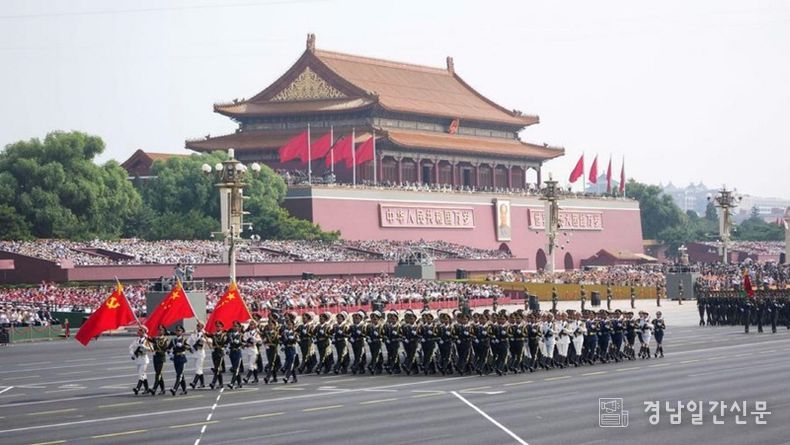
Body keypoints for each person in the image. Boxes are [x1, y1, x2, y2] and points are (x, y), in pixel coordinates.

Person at [129, 325, 153, 396]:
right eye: (138, 330)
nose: (138, 332)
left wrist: (144, 347)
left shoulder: (147, 340)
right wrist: (132, 354)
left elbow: (151, 349)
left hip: (144, 359)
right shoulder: (137, 339)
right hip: (138, 359)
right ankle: (147, 389)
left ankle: (137, 388)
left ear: (144, 332)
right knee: (144, 375)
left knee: (141, 374)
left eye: (140, 330)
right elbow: (130, 347)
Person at [169, 325, 189, 396]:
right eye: (177, 331)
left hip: (182, 358)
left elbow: (188, 347)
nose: (177, 332)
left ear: (182, 332)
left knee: (179, 375)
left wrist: (182, 346)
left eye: (179, 330)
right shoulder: (173, 340)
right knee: (180, 375)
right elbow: (168, 348)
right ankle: (184, 390)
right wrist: (170, 354)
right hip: (176, 358)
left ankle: (175, 389)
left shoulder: (184, 339)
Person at [149, 325, 169, 396]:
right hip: (155, 358)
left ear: (164, 331)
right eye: (159, 330)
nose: (159, 331)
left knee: (158, 374)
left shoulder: (165, 339)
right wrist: (145, 334)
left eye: (161, 330)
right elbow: (150, 339)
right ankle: (163, 389)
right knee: (158, 373)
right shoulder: (156, 338)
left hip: (161, 358)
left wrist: (157, 351)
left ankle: (154, 388)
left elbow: (165, 350)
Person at [207, 320, 227, 390]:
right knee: (216, 369)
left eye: (219, 326)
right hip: (214, 352)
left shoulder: (224, 335)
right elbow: (207, 334)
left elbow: (223, 343)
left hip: (220, 352)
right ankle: (221, 384)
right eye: (217, 326)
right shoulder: (214, 334)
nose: (217, 328)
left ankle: (213, 382)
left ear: (222, 327)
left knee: (217, 369)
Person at [187, 321, 207, 389]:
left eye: (199, 326)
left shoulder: (204, 334)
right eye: (197, 326)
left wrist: (203, 338)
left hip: (201, 353)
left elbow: (205, 342)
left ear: (202, 327)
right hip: (195, 353)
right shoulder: (194, 334)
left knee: (198, 368)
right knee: (199, 368)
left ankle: (194, 383)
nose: (198, 327)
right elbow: (188, 342)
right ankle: (202, 383)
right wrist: (189, 348)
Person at [281, 316, 299, 383]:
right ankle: (295, 378)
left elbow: (296, 340)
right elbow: (283, 340)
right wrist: (283, 345)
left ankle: (287, 377)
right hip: (287, 349)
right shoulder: (285, 333)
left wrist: (292, 339)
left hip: (292, 350)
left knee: (291, 364)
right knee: (290, 364)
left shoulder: (294, 333)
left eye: (290, 324)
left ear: (292, 325)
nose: (288, 326)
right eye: (287, 324)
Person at [226, 321, 244, 389]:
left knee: (236, 369)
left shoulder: (241, 335)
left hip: (237, 352)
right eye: (233, 326)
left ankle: (232, 383)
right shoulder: (230, 335)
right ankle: (239, 383)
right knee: (235, 369)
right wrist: (227, 350)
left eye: (236, 326)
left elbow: (243, 342)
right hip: (232, 352)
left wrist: (240, 343)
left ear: (239, 328)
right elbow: (227, 343)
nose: (234, 327)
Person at [365, 311, 384, 375]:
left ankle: (373, 367)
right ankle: (378, 367)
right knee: (374, 355)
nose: (374, 320)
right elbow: (366, 334)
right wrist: (368, 339)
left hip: (378, 342)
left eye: (375, 319)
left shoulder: (381, 326)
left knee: (376, 355)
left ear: (378, 319)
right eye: (372, 318)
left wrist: (379, 336)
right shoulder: (369, 326)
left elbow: (384, 335)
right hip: (371, 343)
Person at [242, 320, 261, 384]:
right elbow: (244, 340)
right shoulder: (246, 333)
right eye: (250, 325)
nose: (251, 326)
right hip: (248, 351)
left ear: (255, 326)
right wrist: (246, 344)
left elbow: (259, 341)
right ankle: (256, 378)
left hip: (254, 351)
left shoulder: (257, 333)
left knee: (251, 365)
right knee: (254, 366)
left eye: (252, 325)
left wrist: (254, 339)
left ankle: (247, 378)